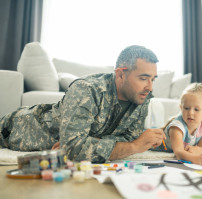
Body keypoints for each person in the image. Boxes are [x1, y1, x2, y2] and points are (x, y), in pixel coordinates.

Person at [0, 45, 166, 163]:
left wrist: (89, 141)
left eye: (153, 79)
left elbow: (129, 137)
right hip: (15, 128)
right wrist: (134, 147)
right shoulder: (86, 90)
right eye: (143, 78)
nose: (149, 87)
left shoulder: (142, 96)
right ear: (121, 74)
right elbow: (72, 149)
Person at [153, 83, 202, 166]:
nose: (191, 113)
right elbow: (179, 153)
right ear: (181, 108)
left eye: (196, 109)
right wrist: (196, 159)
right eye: (186, 108)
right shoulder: (177, 127)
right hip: (152, 144)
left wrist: (196, 149)